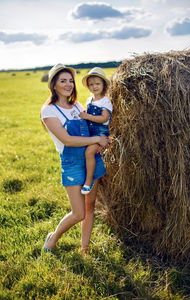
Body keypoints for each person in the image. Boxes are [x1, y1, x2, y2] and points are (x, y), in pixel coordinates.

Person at [40, 63, 109, 255]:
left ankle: (84, 248)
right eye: (63, 81)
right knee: (78, 212)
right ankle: (53, 238)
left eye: (70, 80)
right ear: (54, 85)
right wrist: (96, 139)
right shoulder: (49, 111)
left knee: (90, 206)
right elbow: (67, 139)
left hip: (90, 158)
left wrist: (103, 137)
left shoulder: (78, 105)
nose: (68, 84)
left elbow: (95, 125)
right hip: (72, 163)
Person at [79, 67, 113, 195]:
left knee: (89, 153)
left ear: (103, 85)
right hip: (90, 132)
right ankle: (88, 174)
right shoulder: (89, 100)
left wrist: (88, 116)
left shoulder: (106, 101)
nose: (94, 87)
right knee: (84, 152)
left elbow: (104, 118)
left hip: (100, 133)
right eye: (91, 84)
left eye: (97, 84)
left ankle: (88, 181)